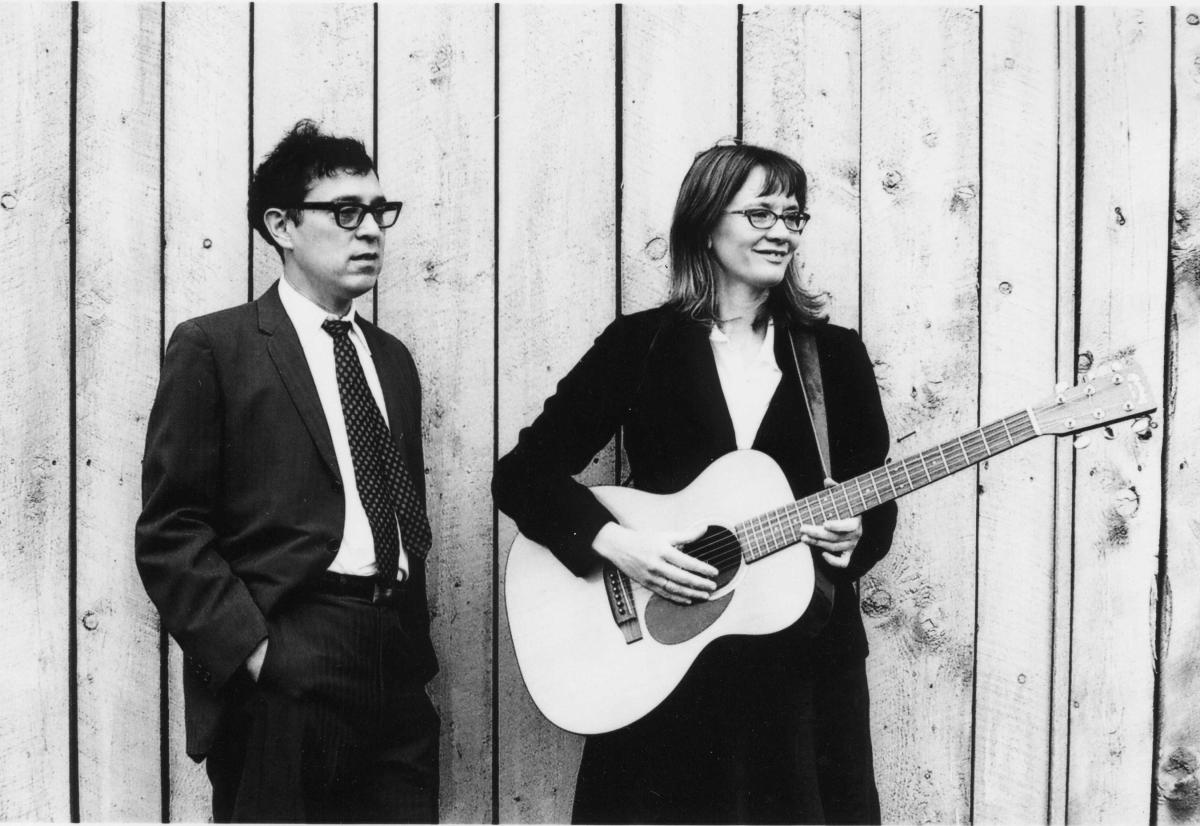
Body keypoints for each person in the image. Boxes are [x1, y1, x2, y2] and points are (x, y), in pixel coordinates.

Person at [493, 143, 897, 824]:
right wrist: (615, 544)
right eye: (760, 212)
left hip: (803, 674)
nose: (781, 231)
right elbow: (523, 475)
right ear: (707, 224)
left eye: (794, 217)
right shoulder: (641, 345)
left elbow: (872, 502)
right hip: (667, 665)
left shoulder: (835, 357)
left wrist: (851, 537)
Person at [136, 120, 439, 823]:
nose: (370, 231)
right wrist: (258, 654)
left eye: (378, 212)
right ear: (281, 226)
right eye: (344, 212)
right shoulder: (216, 347)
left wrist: (411, 653)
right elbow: (170, 530)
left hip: (392, 658)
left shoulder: (390, 359)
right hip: (289, 656)